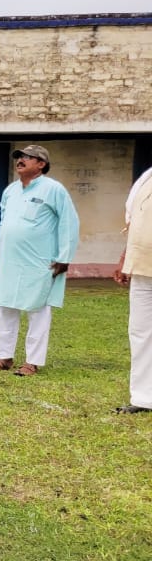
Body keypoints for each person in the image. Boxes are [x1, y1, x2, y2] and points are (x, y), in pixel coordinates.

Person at [0, 145, 80, 376]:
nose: (21, 160)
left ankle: (32, 362)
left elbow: (69, 222)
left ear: (41, 164)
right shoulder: (10, 190)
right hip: (8, 260)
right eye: (19, 157)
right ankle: (4, 357)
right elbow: (3, 223)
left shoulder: (54, 189)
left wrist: (64, 257)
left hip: (38, 262)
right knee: (3, 306)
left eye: (28, 157)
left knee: (38, 310)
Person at [113, 164, 152, 413]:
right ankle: (143, 398)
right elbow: (134, 222)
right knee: (140, 332)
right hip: (142, 266)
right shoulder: (147, 176)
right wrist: (125, 258)